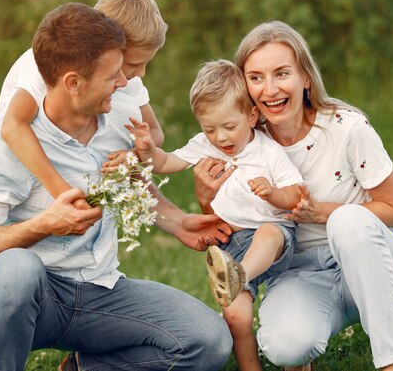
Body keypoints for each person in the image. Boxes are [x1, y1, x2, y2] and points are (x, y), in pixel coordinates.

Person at [0, 2, 232, 371]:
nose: (124, 82)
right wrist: (44, 225)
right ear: (73, 83)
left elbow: (128, 177)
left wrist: (177, 222)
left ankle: (83, 368)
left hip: (99, 290)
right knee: (16, 269)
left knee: (207, 341)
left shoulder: (116, 114)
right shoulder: (7, 144)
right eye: (113, 74)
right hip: (32, 298)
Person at [193, 21, 393, 371]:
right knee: (285, 345)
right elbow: (233, 223)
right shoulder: (240, 142)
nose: (270, 89)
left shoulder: (346, 127)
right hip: (299, 274)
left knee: (347, 221)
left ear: (305, 78)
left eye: (282, 73)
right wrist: (205, 197)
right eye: (255, 77)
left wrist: (323, 212)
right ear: (243, 87)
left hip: (373, 262)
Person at [128, 59, 303, 370]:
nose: (220, 138)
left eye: (229, 127)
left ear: (251, 116)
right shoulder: (205, 146)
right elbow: (167, 162)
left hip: (274, 238)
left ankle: (240, 276)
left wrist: (273, 194)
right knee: (236, 316)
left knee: (268, 233)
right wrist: (146, 151)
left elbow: (295, 193)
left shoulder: (268, 152)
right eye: (210, 129)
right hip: (232, 244)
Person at [0, 0, 167, 210]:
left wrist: (133, 155)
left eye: (146, 64)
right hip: (19, 164)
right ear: (110, 46)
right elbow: (12, 127)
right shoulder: (48, 61)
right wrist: (65, 195)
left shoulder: (125, 78)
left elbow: (155, 132)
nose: (141, 74)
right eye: (134, 64)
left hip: (73, 160)